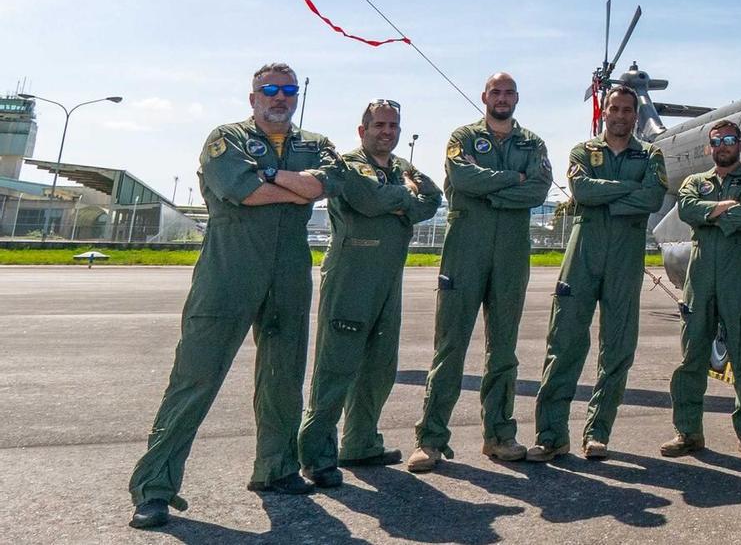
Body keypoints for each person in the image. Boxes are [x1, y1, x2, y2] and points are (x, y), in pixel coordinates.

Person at [129, 63, 337, 530]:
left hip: (289, 271)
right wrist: (293, 187)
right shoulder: (227, 138)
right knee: (196, 376)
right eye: (270, 90)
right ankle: (155, 488)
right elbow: (241, 192)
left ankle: (276, 468)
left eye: (288, 90)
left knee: (284, 374)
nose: (279, 98)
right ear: (253, 97)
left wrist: (273, 177)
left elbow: (322, 185)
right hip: (229, 268)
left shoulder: (317, 144)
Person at [410, 72, 553, 472]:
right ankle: (431, 439)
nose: (502, 98)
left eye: (509, 92)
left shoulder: (532, 143)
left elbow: (539, 189)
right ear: (484, 96)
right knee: (450, 347)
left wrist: (492, 187)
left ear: (517, 98)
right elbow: (462, 177)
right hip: (465, 251)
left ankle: (500, 435)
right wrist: (513, 180)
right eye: (496, 91)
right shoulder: (463, 138)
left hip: (511, 252)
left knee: (504, 349)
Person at [299, 99, 442, 480]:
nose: (388, 132)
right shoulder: (347, 165)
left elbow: (432, 199)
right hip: (352, 273)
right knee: (337, 365)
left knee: (380, 365)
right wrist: (402, 200)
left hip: (389, 276)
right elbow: (367, 198)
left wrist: (401, 202)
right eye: (379, 125)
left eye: (393, 126)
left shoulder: (401, 167)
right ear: (362, 131)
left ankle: (361, 443)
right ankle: (316, 454)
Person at [528, 84, 667, 460]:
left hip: (625, 258)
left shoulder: (651, 154)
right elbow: (582, 191)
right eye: (615, 109)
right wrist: (628, 192)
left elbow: (652, 199)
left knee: (618, 348)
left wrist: (612, 195)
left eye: (627, 110)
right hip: (584, 254)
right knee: (565, 344)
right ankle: (551, 434)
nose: (621, 116)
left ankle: (598, 432)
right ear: (604, 111)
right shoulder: (582, 151)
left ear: (635, 116)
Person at [661, 118, 741, 460]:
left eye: (729, 139)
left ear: (739, 143)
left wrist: (708, 217)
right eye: (717, 141)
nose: (722, 145)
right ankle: (689, 431)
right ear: (710, 147)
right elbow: (687, 209)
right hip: (700, 277)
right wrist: (721, 209)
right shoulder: (695, 181)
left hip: (740, 276)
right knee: (692, 356)